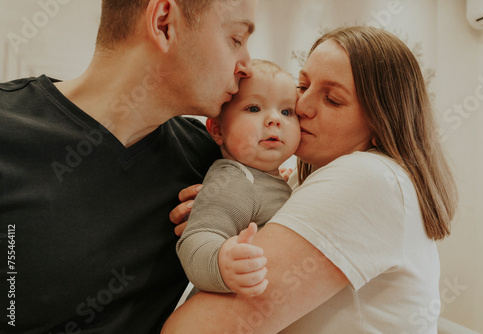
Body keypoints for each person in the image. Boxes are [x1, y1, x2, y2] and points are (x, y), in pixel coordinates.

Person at [163, 26, 458, 333]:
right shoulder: (296, 183)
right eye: (302, 86)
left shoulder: (366, 179)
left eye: (332, 99)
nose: (300, 107)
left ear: (381, 121)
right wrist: (221, 212)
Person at [0, 0, 257, 333]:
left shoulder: (212, 166)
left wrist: (231, 210)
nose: (247, 65)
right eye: (236, 39)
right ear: (164, 23)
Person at [176, 59, 301, 297]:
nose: (274, 120)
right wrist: (222, 263)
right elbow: (197, 237)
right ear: (217, 130)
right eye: (254, 108)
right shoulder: (235, 180)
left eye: (287, 111)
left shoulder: (267, 180)